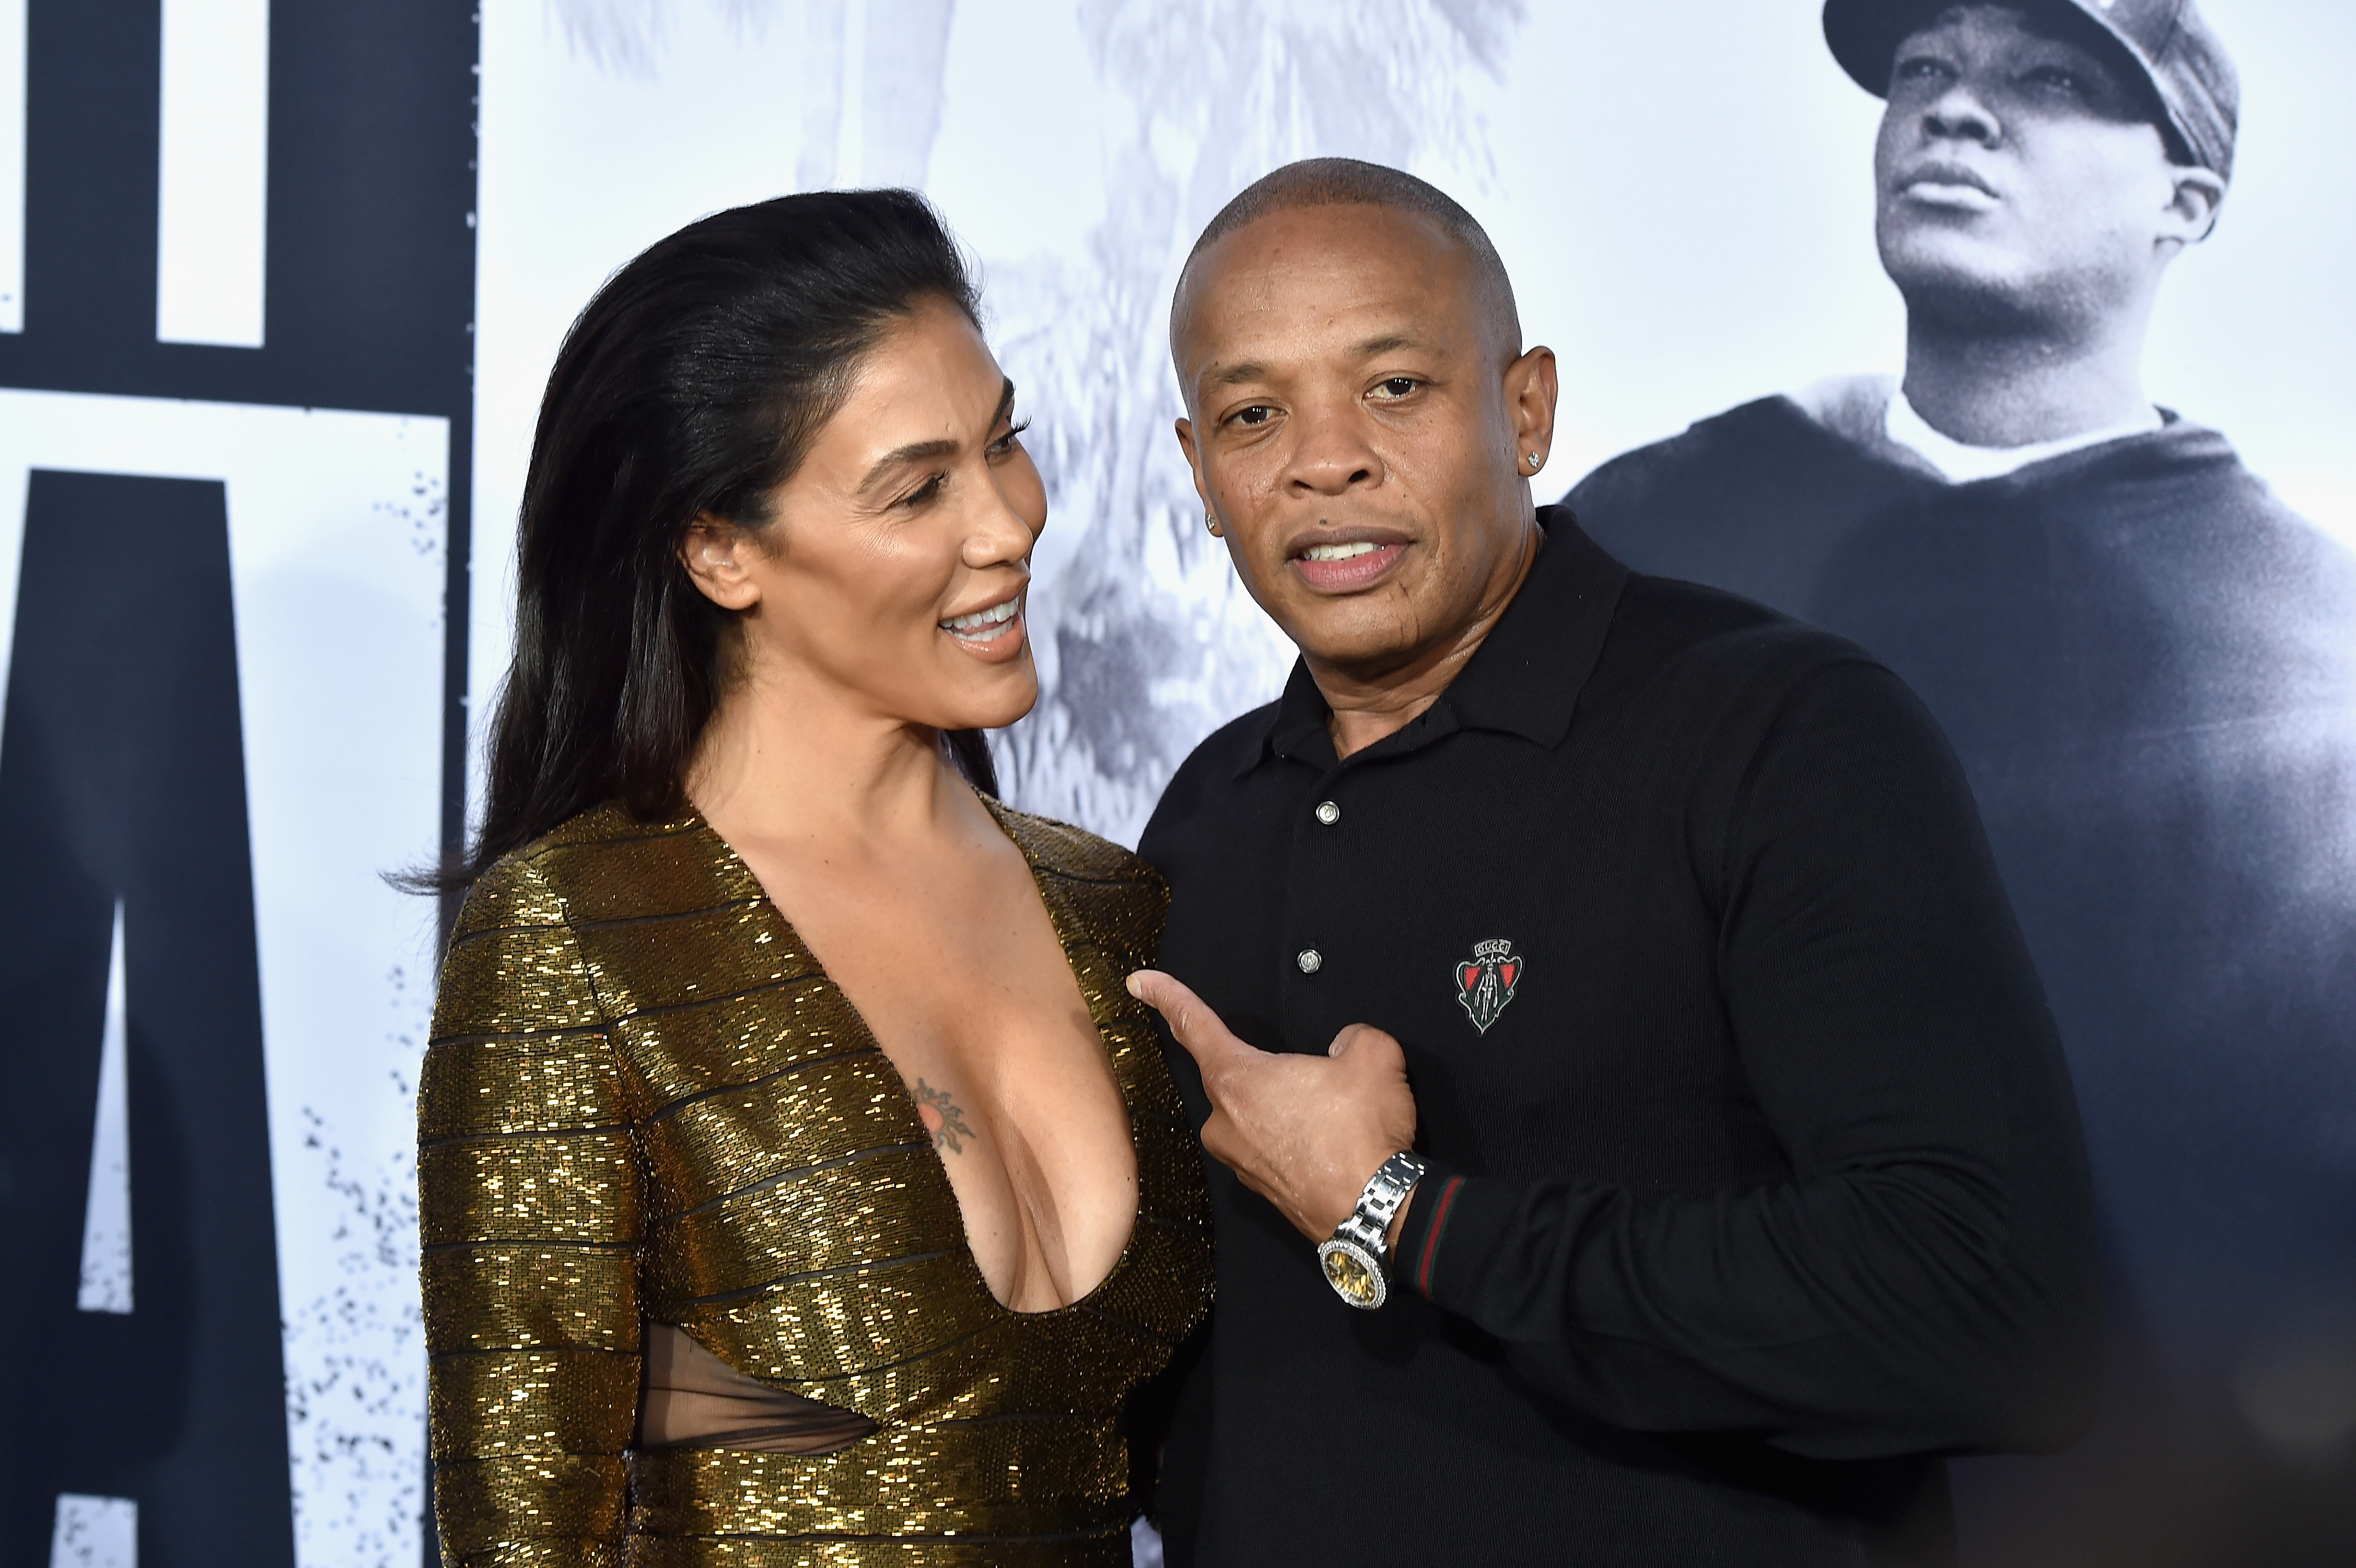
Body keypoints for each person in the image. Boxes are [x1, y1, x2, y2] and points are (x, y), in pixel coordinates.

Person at [1127, 155, 2100, 1568]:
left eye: (1392, 386)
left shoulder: (1777, 731)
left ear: (1525, 410)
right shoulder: (1205, 810)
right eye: (1252, 413)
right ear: (1201, 474)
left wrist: (1403, 1213)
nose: (1322, 459)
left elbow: (1992, 1313)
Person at [1568, 4, 2356, 1560]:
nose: (1956, 111)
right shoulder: (1642, 537)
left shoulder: (2302, 649)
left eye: (2051, 81)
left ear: (2185, 200)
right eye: (1924, 70)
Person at [417, 191, 1212, 1566]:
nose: (1008, 523)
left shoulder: (1116, 909)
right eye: (918, 488)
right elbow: (526, 1531)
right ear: (720, 549)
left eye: (1003, 441)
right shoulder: (577, 938)